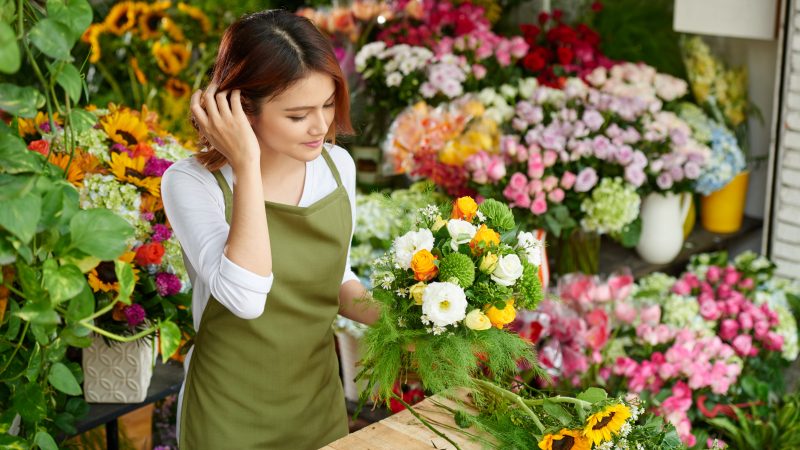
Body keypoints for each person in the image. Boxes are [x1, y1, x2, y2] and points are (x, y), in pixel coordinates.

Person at [161, 9, 379, 449]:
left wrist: (411, 324)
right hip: (229, 414)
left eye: (327, 104)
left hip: (316, 402)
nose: (320, 126)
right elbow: (244, 297)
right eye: (298, 115)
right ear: (243, 110)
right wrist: (247, 164)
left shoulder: (337, 167)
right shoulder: (192, 183)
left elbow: (333, 278)